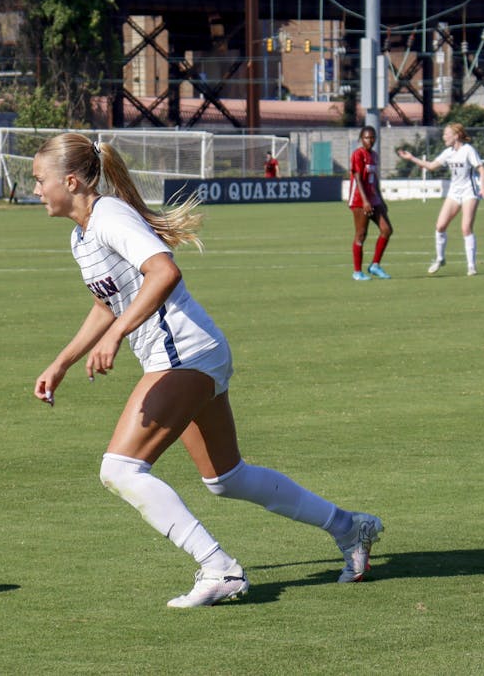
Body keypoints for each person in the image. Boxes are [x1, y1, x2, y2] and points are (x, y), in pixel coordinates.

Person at [29, 133, 383, 608]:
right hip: (194, 353)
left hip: (185, 354)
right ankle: (350, 526)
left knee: (120, 469)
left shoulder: (111, 216)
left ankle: (220, 569)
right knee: (226, 478)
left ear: (70, 181)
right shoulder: (82, 235)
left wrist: (115, 338)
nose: (35, 189)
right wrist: (62, 362)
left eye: (39, 179)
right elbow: (107, 303)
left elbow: (164, 272)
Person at [397, 122, 484, 276]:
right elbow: (431, 166)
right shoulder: (448, 152)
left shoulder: (468, 150)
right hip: (454, 192)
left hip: (469, 191)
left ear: (456, 135)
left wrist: (483, 187)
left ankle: (471, 266)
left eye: (447, 134)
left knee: (465, 228)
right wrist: (412, 158)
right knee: (440, 226)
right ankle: (440, 258)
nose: (444, 137)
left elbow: (481, 169)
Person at [348, 126, 393, 280]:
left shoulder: (374, 155)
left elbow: (375, 180)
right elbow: (358, 178)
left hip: (373, 198)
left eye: (373, 137)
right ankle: (357, 272)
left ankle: (375, 265)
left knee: (386, 229)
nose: (370, 140)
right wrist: (365, 201)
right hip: (359, 199)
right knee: (361, 234)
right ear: (361, 138)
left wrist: (380, 198)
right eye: (367, 137)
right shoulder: (358, 154)